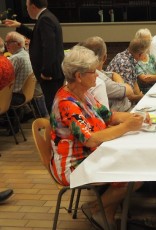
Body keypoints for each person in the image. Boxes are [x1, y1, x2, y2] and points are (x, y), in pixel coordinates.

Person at [50, 46, 148, 229]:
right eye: (93, 71)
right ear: (79, 76)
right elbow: (91, 139)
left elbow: (108, 116)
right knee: (134, 175)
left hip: (91, 154)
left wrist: (138, 116)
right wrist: (127, 127)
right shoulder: (67, 103)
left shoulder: (83, 93)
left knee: (134, 166)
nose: (98, 75)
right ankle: (96, 208)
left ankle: (104, 216)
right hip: (73, 166)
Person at [3, 0, 65, 114]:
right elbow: (37, 37)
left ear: (33, 6)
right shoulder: (46, 17)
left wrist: (46, 72)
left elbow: (49, 47)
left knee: (54, 108)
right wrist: (20, 26)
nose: (26, 10)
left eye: (27, 7)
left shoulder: (45, 19)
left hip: (50, 75)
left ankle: (56, 131)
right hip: (52, 73)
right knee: (54, 106)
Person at [79, 36, 136, 112]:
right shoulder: (98, 81)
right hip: (121, 115)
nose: (96, 75)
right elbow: (107, 118)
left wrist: (115, 76)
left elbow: (111, 74)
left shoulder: (91, 74)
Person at [5, 31, 48, 120]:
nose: (6, 45)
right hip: (26, 94)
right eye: (6, 42)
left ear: (19, 44)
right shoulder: (27, 55)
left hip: (16, 96)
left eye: (9, 42)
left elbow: (4, 78)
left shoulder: (16, 58)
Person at [106, 38, 148, 105]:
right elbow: (126, 96)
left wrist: (141, 98)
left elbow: (134, 83)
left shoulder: (126, 56)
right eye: (146, 53)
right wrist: (141, 97)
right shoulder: (125, 64)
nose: (146, 55)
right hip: (117, 105)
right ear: (140, 54)